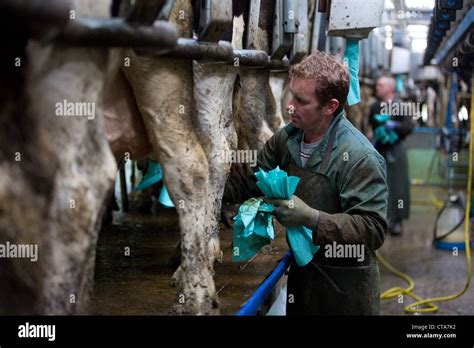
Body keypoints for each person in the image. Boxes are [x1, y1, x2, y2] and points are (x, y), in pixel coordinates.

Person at [224, 51, 388, 315]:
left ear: (330, 106)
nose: (290, 106)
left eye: (301, 101)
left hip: (347, 286)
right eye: (291, 96)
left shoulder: (359, 157)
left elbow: (373, 228)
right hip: (303, 276)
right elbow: (253, 181)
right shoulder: (287, 139)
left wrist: (312, 218)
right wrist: (203, 188)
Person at [369, 76, 414, 236]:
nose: (377, 87)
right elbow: (371, 126)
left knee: (398, 186)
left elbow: (409, 126)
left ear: (389, 88)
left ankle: (397, 221)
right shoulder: (374, 106)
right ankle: (381, 219)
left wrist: (395, 128)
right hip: (380, 149)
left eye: (380, 85)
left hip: (396, 149)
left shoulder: (401, 106)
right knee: (379, 185)